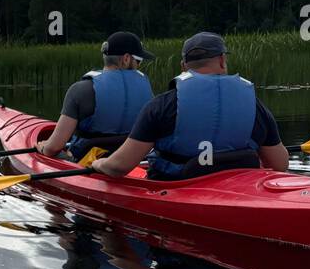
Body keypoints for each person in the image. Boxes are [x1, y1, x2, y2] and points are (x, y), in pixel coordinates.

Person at [89, 32, 289, 180]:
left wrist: (99, 163)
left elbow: (119, 167)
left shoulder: (162, 106)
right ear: (222, 60)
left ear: (183, 66)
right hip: (238, 189)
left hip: (177, 187)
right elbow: (280, 164)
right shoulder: (254, 105)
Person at [37, 30, 156, 160]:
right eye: (139, 61)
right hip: (132, 160)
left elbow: (53, 148)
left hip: (87, 161)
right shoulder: (146, 87)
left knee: (54, 152)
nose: (139, 66)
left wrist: (43, 147)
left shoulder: (80, 90)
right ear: (126, 59)